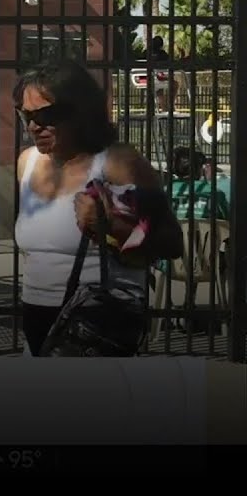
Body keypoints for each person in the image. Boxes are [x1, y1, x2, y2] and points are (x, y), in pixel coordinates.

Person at [12, 59, 182, 357]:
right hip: (37, 327)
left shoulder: (117, 162)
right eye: (25, 115)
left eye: (46, 114)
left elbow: (172, 241)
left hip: (95, 329)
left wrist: (112, 226)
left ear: (80, 112)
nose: (33, 125)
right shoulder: (27, 163)